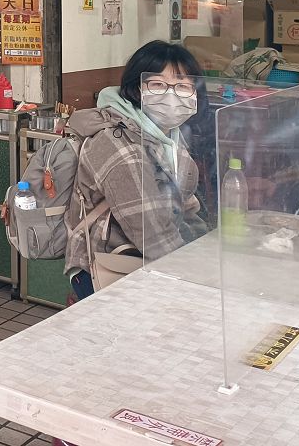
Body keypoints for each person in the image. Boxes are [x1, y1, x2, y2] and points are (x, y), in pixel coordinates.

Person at [64, 40, 207, 301]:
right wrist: (200, 281)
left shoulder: (169, 137)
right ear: (137, 90)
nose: (171, 95)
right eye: (158, 85)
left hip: (151, 257)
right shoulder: (119, 144)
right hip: (108, 265)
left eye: (184, 87)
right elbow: (152, 233)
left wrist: (208, 249)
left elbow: (186, 206)